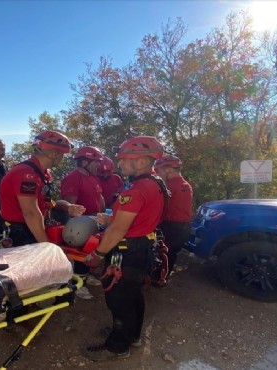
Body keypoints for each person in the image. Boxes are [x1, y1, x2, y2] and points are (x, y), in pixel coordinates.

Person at [82, 136, 165, 362]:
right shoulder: (156, 182)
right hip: (143, 247)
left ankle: (117, 346)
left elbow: (118, 229)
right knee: (133, 295)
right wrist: (113, 221)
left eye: (124, 160)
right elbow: (136, 219)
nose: (119, 164)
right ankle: (132, 336)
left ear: (141, 161)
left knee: (118, 299)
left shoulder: (136, 189)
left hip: (128, 251)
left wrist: (98, 254)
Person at [0, 130, 85, 247]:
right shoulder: (27, 174)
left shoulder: (43, 173)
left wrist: (67, 207)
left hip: (29, 228)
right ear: (54, 154)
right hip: (17, 231)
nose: (62, 158)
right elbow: (31, 213)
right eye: (62, 154)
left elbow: (45, 202)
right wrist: (46, 245)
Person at [60, 146, 105, 299]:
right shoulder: (73, 178)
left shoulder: (92, 176)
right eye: (95, 162)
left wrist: (101, 214)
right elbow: (70, 205)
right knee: (81, 252)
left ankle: (85, 275)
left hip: (93, 219)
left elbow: (99, 197)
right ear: (84, 161)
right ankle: (77, 283)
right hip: (80, 222)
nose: (98, 165)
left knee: (90, 250)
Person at [154, 155, 193, 276]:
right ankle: (165, 275)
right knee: (172, 253)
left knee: (164, 253)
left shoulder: (168, 185)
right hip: (184, 226)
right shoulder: (186, 184)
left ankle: (159, 278)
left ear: (168, 170)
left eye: (158, 171)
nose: (157, 175)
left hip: (171, 226)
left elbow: (157, 207)